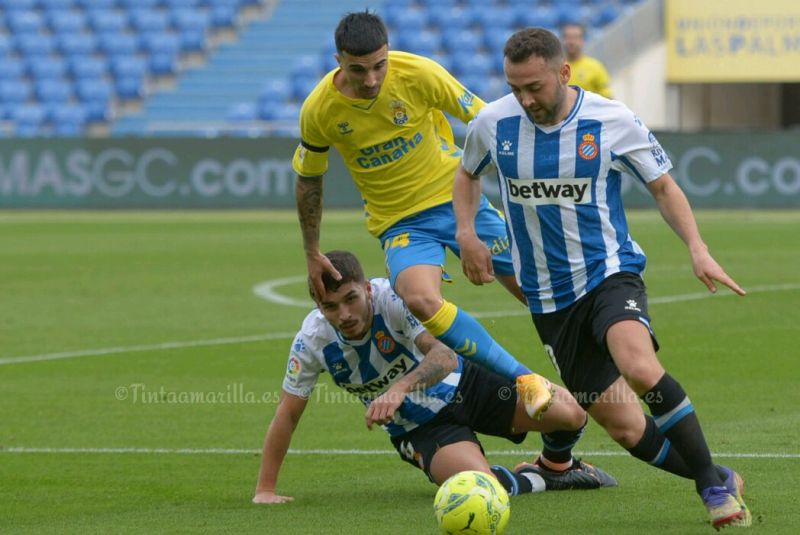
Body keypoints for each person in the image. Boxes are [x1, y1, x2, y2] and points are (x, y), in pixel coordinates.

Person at [453, 28, 751, 530]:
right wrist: (466, 233)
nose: (525, 99)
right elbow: (466, 174)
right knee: (626, 428)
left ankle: (712, 489)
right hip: (548, 299)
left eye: (535, 87)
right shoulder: (493, 123)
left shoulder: (611, 120)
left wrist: (697, 249)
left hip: (609, 272)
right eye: (515, 88)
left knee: (638, 364)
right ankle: (719, 474)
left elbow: (663, 187)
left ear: (564, 72)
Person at [292, 10, 554, 418]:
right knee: (418, 298)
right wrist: (312, 250)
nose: (372, 79)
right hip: (400, 223)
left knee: (538, 294)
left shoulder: (419, 73)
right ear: (338, 61)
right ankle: (525, 379)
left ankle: (585, 364)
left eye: (380, 65)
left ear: (388, 53)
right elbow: (309, 179)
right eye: (358, 69)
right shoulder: (319, 110)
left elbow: (485, 121)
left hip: (457, 200)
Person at [252, 251, 616, 505]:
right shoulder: (312, 341)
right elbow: (287, 414)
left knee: (571, 413)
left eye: (351, 299)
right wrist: (265, 489)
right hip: (421, 428)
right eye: (330, 307)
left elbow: (444, 355)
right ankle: (534, 479)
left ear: (367, 289)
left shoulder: (392, 298)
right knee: (481, 489)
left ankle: (555, 466)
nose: (344, 314)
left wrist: (399, 388)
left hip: (467, 384)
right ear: (319, 307)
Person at [561, 23, 612, 98]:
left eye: (576, 37)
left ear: (583, 40)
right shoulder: (556, 67)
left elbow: (607, 97)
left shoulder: (596, 67)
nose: (571, 42)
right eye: (568, 37)